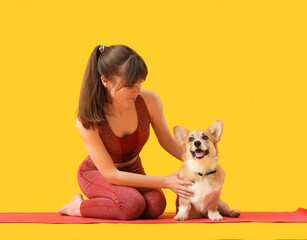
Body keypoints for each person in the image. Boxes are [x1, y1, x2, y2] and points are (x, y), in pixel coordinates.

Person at [57, 44, 195, 220]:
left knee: (156, 205)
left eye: (140, 82)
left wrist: (201, 162)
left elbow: (168, 142)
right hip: (97, 174)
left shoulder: (150, 101)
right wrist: (166, 181)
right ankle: (76, 206)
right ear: (105, 81)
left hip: (133, 169)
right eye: (130, 85)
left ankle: (115, 199)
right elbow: (111, 174)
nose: (138, 91)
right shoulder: (88, 120)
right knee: (130, 205)